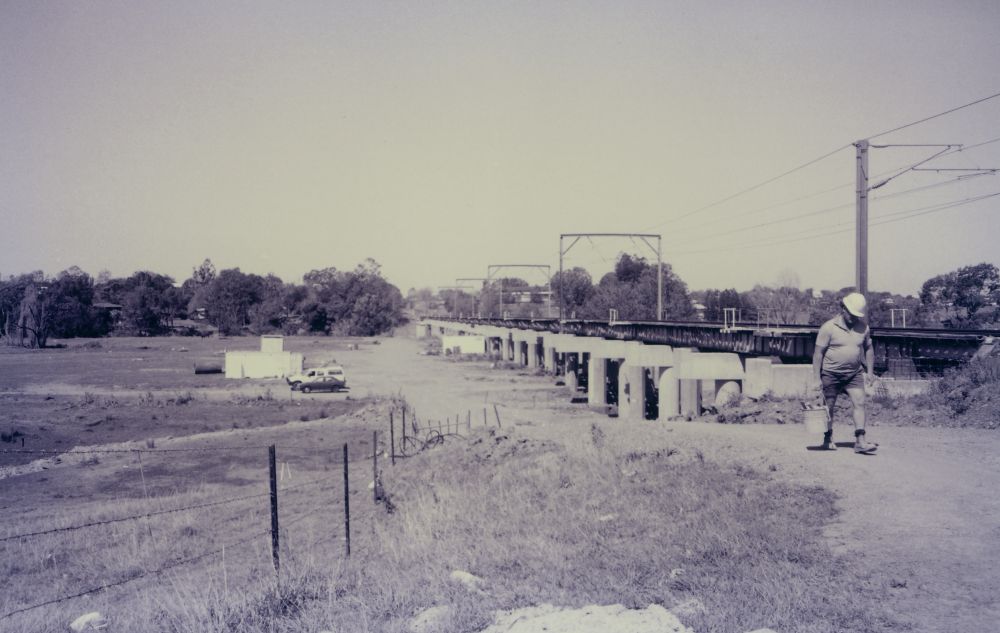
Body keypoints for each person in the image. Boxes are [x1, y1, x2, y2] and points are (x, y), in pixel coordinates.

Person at [811, 292, 878, 454]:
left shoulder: (864, 328)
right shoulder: (828, 327)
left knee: (860, 403)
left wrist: (870, 372)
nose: (854, 318)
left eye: (857, 315)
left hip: (853, 374)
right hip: (830, 374)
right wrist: (816, 378)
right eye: (852, 314)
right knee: (829, 407)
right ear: (843, 308)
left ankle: (860, 441)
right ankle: (827, 439)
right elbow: (818, 353)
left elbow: (868, 349)